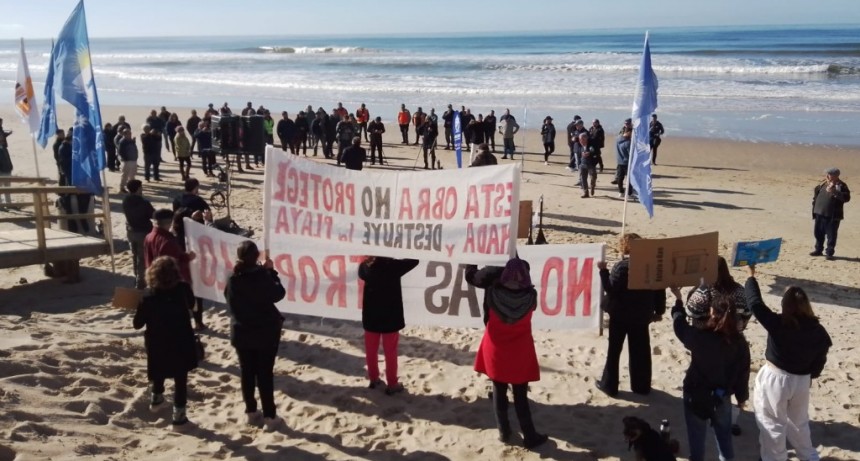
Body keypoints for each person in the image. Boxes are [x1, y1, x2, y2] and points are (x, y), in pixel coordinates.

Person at [744, 265, 832, 461]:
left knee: (772, 425)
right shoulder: (818, 331)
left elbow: (755, 304)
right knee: (799, 425)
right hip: (801, 381)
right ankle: (809, 457)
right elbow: (820, 361)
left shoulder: (778, 324)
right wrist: (809, 375)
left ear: (785, 305)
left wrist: (751, 277)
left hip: (777, 378)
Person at [466, 258, 549, 449]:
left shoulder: (493, 293)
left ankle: (504, 432)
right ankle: (530, 435)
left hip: (496, 347)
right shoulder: (531, 296)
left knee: (499, 389)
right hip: (520, 349)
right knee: (520, 395)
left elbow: (478, 281)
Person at [669, 286, 750, 461]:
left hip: (696, 394)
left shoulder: (700, 338)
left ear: (713, 315)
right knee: (724, 439)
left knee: (696, 438)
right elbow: (743, 373)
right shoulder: (740, 342)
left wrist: (678, 301)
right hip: (722, 395)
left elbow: (679, 325)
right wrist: (742, 397)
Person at [224, 241, 287, 429]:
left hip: (242, 332)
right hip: (264, 333)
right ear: (256, 257)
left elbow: (229, 299)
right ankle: (269, 415)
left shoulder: (233, 278)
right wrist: (272, 272)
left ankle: (251, 411)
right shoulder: (261, 277)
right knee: (264, 374)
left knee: (247, 372)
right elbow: (278, 293)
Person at [595, 233, 666, 396]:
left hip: (620, 315)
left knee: (614, 350)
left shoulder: (623, 266)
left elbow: (610, 289)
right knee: (640, 351)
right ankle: (641, 386)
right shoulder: (652, 267)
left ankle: (609, 386)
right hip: (642, 315)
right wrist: (659, 311)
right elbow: (660, 290)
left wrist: (603, 271)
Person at [133, 255, 198, 427]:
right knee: (180, 378)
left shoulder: (148, 296)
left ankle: (156, 398)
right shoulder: (183, 288)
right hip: (180, 340)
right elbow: (192, 305)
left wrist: (140, 306)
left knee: (158, 368)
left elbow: (137, 324)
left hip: (157, 341)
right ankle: (179, 416)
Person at [358, 256, 419, 395]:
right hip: (390, 316)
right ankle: (392, 383)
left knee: (370, 350)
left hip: (371, 315)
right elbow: (415, 260)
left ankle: (373, 379)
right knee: (390, 351)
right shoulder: (393, 265)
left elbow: (361, 273)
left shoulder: (365, 266)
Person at [810, 167, 850, 260]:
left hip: (832, 215)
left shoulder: (841, 185)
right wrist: (814, 205)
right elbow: (816, 194)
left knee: (831, 235)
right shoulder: (823, 183)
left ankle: (829, 253)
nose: (827, 176)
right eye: (827, 174)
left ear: (836, 176)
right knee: (818, 233)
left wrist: (834, 191)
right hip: (819, 212)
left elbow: (846, 198)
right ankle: (818, 250)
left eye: (829, 174)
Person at [122, 180, 155, 289]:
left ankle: (136, 277)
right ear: (138, 188)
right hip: (143, 232)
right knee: (142, 258)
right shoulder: (144, 203)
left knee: (134, 255)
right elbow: (153, 215)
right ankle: (140, 282)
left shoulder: (125, 201)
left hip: (131, 231)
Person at [612, 119, 635, 198]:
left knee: (620, 177)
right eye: (625, 123)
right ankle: (629, 193)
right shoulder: (628, 142)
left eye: (628, 123)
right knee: (629, 179)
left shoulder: (618, 139)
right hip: (626, 162)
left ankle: (621, 191)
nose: (626, 125)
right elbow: (630, 154)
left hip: (620, 161)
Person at [117, 128, 139, 193]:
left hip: (133, 160)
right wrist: (126, 158)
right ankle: (122, 188)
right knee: (125, 175)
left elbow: (135, 149)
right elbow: (120, 152)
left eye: (130, 133)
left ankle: (131, 187)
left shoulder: (131, 141)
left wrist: (135, 157)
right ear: (125, 134)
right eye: (129, 134)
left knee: (132, 175)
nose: (130, 135)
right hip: (126, 161)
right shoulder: (122, 142)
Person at [577, 133, 598, 198]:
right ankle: (586, 192)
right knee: (583, 179)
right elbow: (577, 153)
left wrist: (590, 153)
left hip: (591, 164)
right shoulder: (579, 145)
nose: (581, 141)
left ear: (586, 139)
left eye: (583, 139)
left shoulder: (591, 145)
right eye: (580, 139)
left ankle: (592, 186)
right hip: (582, 164)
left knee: (593, 177)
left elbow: (596, 152)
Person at [0, 118, 13, 206]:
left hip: (7, 170)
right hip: (1, 171)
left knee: (7, 188)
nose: (2, 137)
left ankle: (8, 204)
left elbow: (7, 159)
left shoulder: (3, 148)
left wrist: (10, 167)